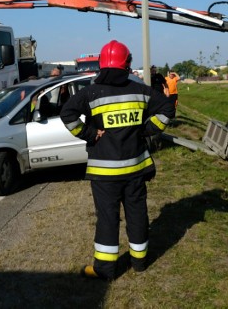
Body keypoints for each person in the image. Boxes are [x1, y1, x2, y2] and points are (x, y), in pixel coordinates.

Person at [61, 40, 175, 280]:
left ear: (102, 64)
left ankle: (105, 269)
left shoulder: (91, 92)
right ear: (127, 64)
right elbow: (167, 108)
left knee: (107, 218)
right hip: (135, 169)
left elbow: (67, 113)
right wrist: (147, 129)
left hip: (105, 175)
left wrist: (89, 134)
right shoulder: (141, 91)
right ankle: (140, 262)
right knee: (137, 214)